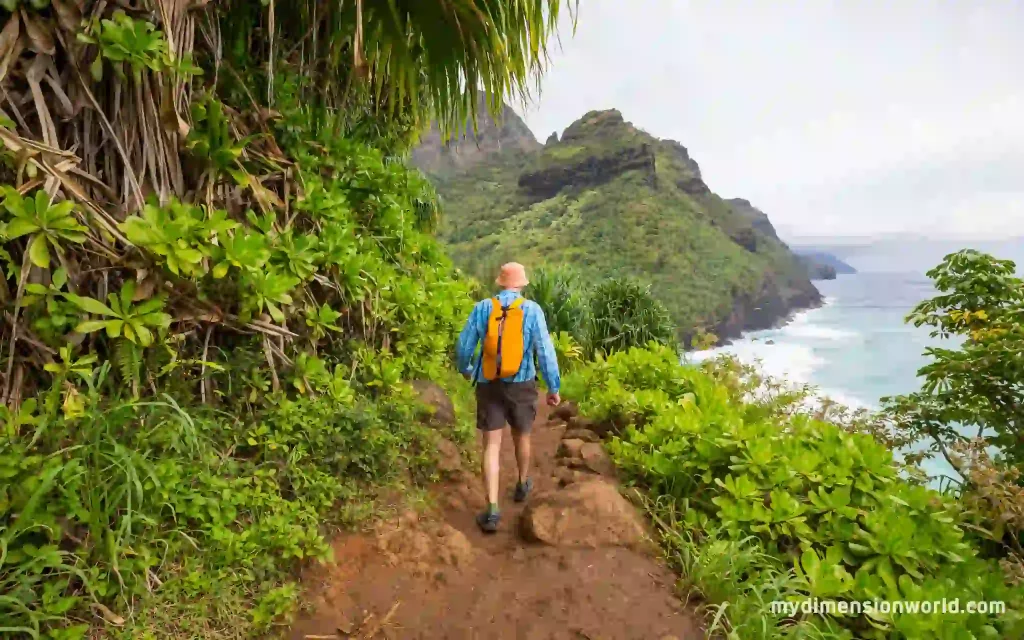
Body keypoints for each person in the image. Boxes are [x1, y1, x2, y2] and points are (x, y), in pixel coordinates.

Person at [456, 262, 561, 533]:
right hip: (522, 383)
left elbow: (464, 345)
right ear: (522, 284)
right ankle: (523, 482)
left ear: (500, 282)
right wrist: (553, 387)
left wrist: (466, 369)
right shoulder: (532, 310)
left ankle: (492, 509)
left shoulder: (482, 308)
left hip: (488, 382)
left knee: (491, 445)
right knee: (522, 435)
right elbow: (545, 351)